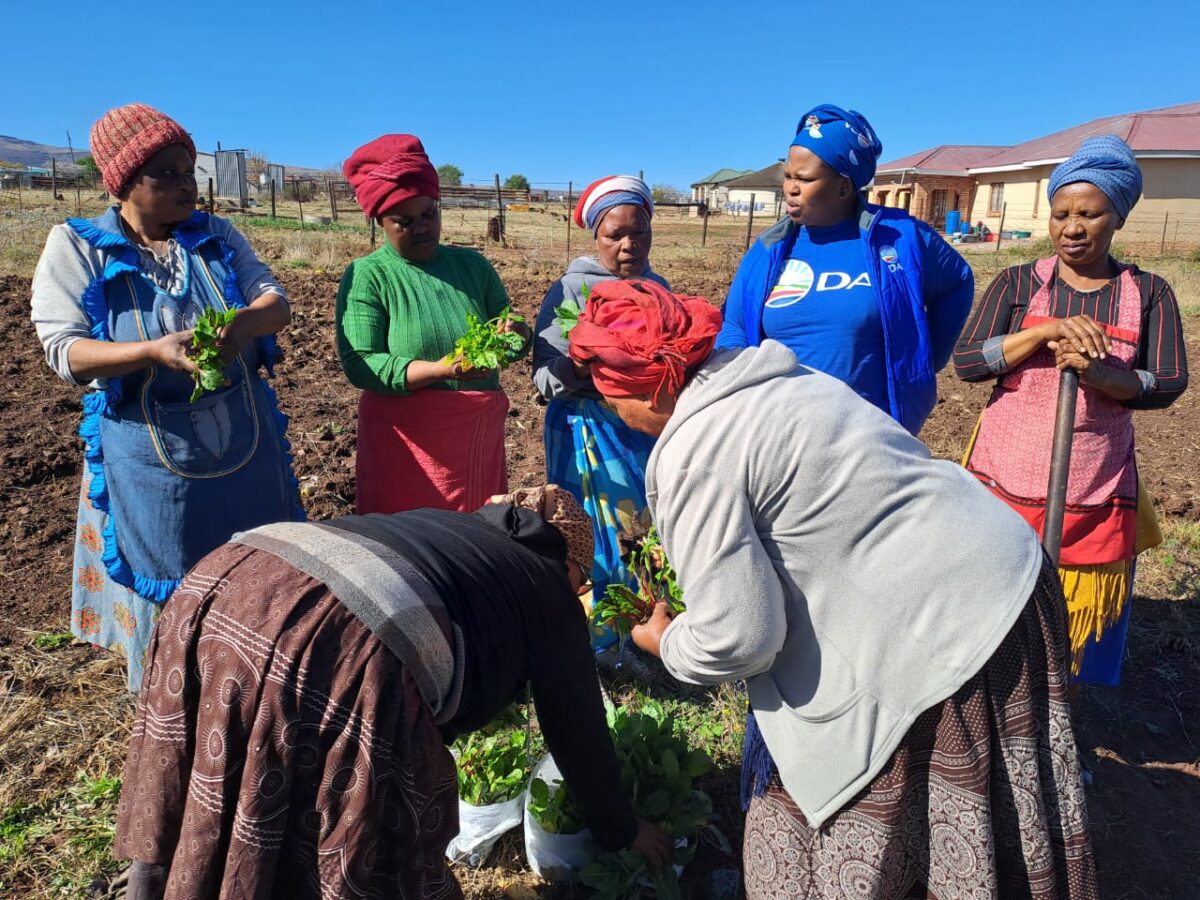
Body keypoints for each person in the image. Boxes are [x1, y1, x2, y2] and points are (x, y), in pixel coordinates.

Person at [568, 283, 1098, 899]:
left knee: (863, 810)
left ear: (649, 387)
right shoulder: (783, 378)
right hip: (1010, 573)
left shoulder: (693, 449)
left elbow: (740, 639)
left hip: (938, 626)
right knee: (989, 802)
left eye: (611, 400)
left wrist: (668, 643)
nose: (614, 415)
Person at [114, 486, 671, 898]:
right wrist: (622, 830)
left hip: (225, 574)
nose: (579, 592)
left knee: (200, 766)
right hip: (334, 631)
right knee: (379, 834)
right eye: (582, 580)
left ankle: (155, 884)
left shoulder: (451, 529)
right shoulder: (546, 585)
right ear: (567, 560)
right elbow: (576, 729)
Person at [30, 103, 302, 692]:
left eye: (189, 171)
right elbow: (65, 350)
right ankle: (175, 708)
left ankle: (255, 692)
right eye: (169, 174)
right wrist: (151, 352)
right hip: (152, 464)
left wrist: (241, 327)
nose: (188, 185)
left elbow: (275, 304)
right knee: (173, 584)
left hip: (243, 447)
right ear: (125, 182)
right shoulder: (78, 248)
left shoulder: (216, 236)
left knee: (257, 571)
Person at [955, 135, 1188, 686]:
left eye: (1090, 213)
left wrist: (1103, 375)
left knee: (1071, 630)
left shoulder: (1149, 293)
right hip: (1001, 477)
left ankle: (1061, 724)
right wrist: (1044, 333)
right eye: (1061, 214)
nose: (1072, 228)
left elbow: (1169, 381)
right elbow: (968, 361)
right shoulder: (1018, 283)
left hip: (1094, 484)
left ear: (1118, 216)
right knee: (993, 615)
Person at [716, 104, 974, 435]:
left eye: (805, 179)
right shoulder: (768, 249)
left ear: (844, 186)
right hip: (779, 434)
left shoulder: (900, 237)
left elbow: (959, 281)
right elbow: (735, 325)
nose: (791, 189)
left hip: (871, 435)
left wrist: (926, 361)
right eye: (788, 176)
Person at [335, 134, 530, 515]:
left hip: (473, 438)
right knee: (408, 546)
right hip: (406, 444)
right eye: (403, 222)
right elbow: (360, 362)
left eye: (429, 214)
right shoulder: (368, 275)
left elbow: (510, 324)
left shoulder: (472, 267)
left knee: (474, 541)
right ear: (379, 221)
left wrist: (517, 334)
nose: (422, 227)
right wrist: (443, 370)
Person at [532, 175, 678, 647]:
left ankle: (648, 628)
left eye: (640, 232)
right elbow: (543, 380)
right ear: (596, 236)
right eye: (615, 234)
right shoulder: (571, 291)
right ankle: (599, 640)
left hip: (646, 431)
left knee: (646, 530)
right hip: (586, 431)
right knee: (593, 534)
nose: (629, 244)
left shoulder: (659, 289)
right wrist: (579, 362)